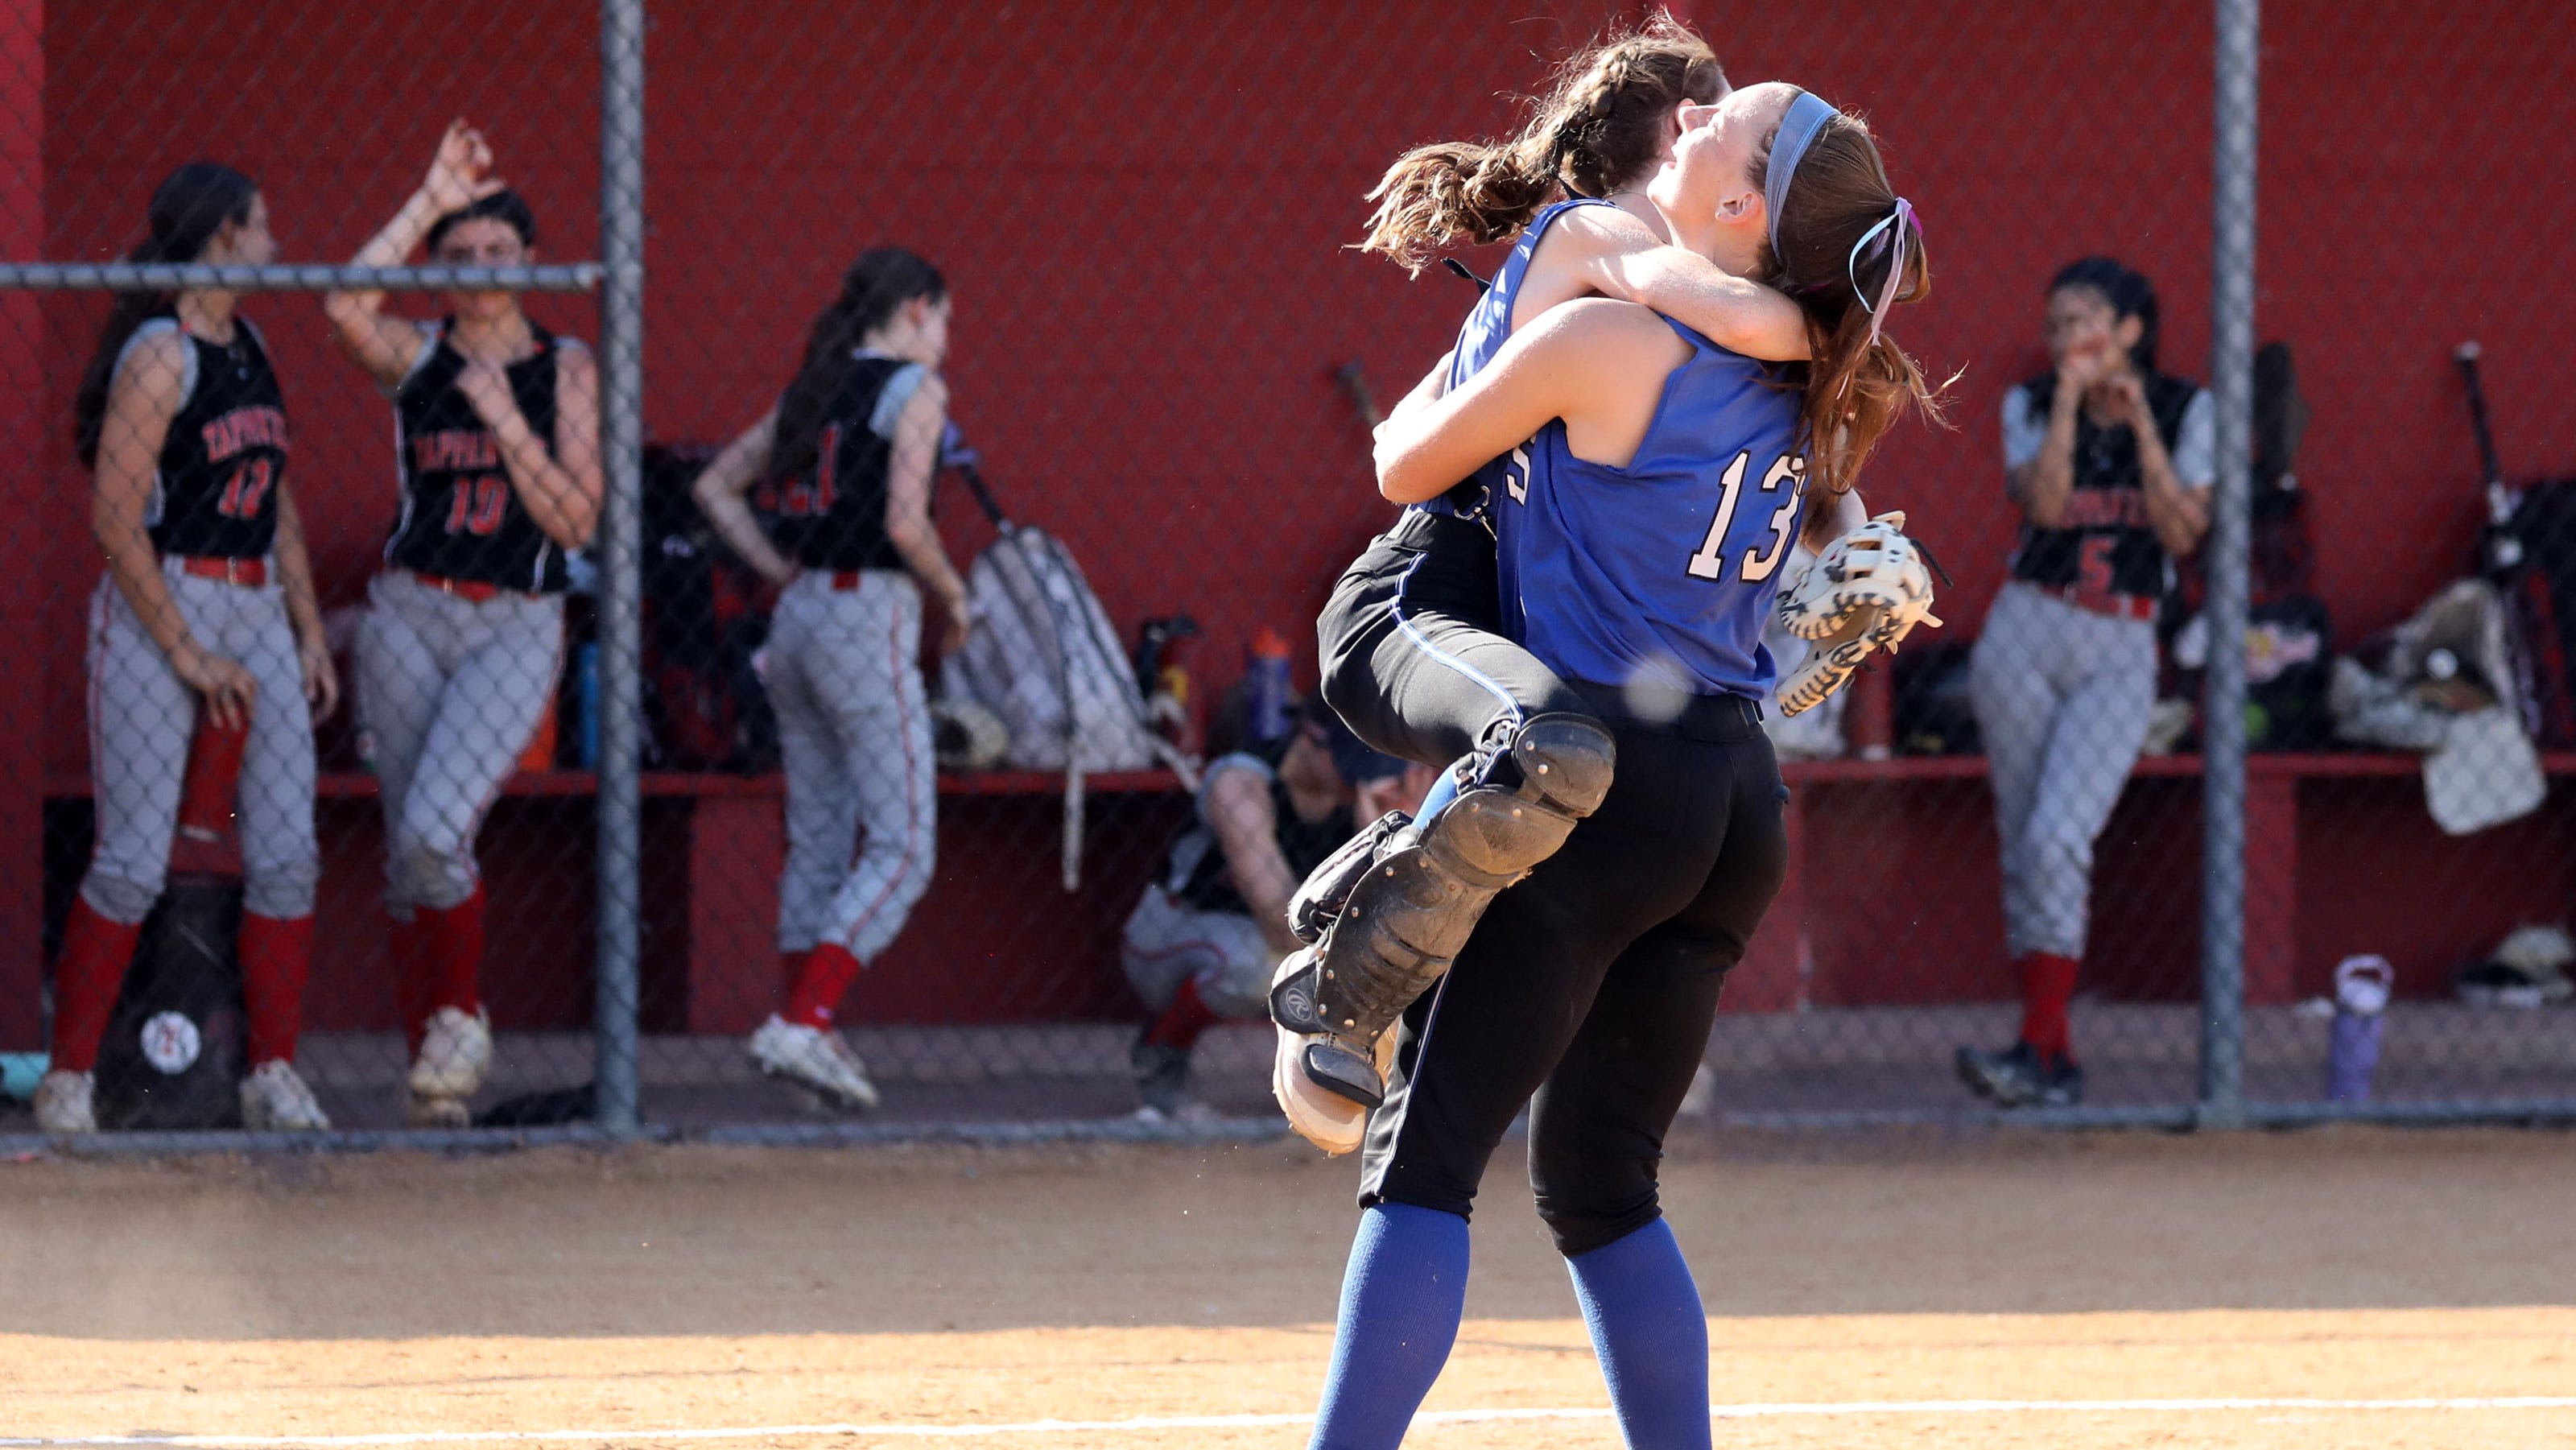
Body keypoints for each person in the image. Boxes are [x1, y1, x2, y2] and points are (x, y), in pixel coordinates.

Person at [1298, 83, 1938, 1450]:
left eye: (1730, 117)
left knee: (1424, 1171)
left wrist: (1515, 327)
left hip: (1596, 786)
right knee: (1602, 1187)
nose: (1698, 105)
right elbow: (1799, 370)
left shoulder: (1604, 337)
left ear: (1744, 207)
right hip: (1731, 805)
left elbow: (1403, 463)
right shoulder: (1814, 376)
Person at [1277, 14, 1822, 1138]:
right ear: (1683, 135)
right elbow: (1746, 317)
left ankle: (1381, 949)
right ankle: (1339, 985)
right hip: (1434, 575)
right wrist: (1836, 309)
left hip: (1520, 597)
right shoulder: (1614, 245)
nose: (1732, 138)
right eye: (1724, 121)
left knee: (1551, 750)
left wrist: (1850, 519)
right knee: (1544, 742)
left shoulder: (1643, 290)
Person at [37, 163, 336, 1136]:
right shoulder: (161, 354)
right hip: (163, 595)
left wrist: (305, 628)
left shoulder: (247, 340)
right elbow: (115, 521)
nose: (275, 243)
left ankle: (272, 1073)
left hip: (253, 602)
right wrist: (188, 652)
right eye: (262, 227)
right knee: (131, 857)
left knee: (287, 853)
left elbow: (276, 495)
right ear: (222, 238)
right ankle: (69, 1078)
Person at [323, 122, 603, 1126]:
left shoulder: (564, 364)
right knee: (409, 858)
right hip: (408, 613)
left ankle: (458, 1016)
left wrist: (505, 423)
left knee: (441, 832)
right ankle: (431, 1076)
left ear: (530, 261)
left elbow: (577, 518)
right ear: (439, 268)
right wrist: (428, 194)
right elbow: (343, 304)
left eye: (498, 252)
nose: (481, 268)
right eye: (461, 253)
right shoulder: (421, 355)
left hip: (513, 624)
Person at [689, 248, 973, 1111]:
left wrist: (779, 566)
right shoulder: (913, 389)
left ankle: (800, 1028)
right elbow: (903, 521)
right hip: (865, 612)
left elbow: (714, 486)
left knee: (817, 836)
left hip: (801, 612)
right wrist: (955, 593)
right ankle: (805, 1021)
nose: (947, 338)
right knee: (902, 841)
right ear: (918, 309)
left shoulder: (815, 383)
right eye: (945, 318)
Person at [1957, 258, 2211, 1109]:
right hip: (2027, 627)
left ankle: (2039, 1051)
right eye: (2056, 321)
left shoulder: (2185, 407)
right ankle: (2047, 1056)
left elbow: (2181, 531)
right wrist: (2069, 402)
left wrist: (2139, 428)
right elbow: (2045, 507)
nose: (2067, 337)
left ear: (2129, 330)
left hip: (2122, 638)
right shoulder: (2028, 402)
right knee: (2023, 843)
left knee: (2056, 837)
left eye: (2086, 320)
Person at [1124, 697, 1426, 1121]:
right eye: (1354, 762)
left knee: (1403, 951)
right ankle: (1160, 1054)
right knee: (1257, 968)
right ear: (1309, 741)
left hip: (1268, 938)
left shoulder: (1364, 796)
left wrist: (1382, 825)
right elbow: (1282, 923)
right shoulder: (1241, 784)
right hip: (1171, 937)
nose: (1363, 780)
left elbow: (1407, 909)